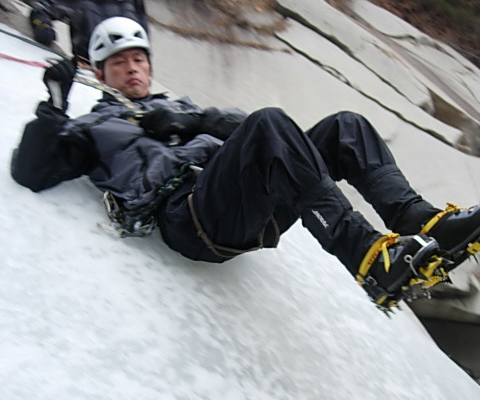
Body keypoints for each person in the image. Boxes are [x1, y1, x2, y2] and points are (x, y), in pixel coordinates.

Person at [11, 17, 480, 313]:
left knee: (345, 127)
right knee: (270, 124)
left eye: (139, 59)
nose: (132, 68)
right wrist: (54, 105)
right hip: (187, 214)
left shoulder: (177, 108)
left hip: (238, 200)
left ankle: (419, 219)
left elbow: (241, 126)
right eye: (119, 63)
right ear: (99, 73)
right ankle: (366, 256)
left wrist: (193, 119)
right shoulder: (96, 126)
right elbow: (30, 172)